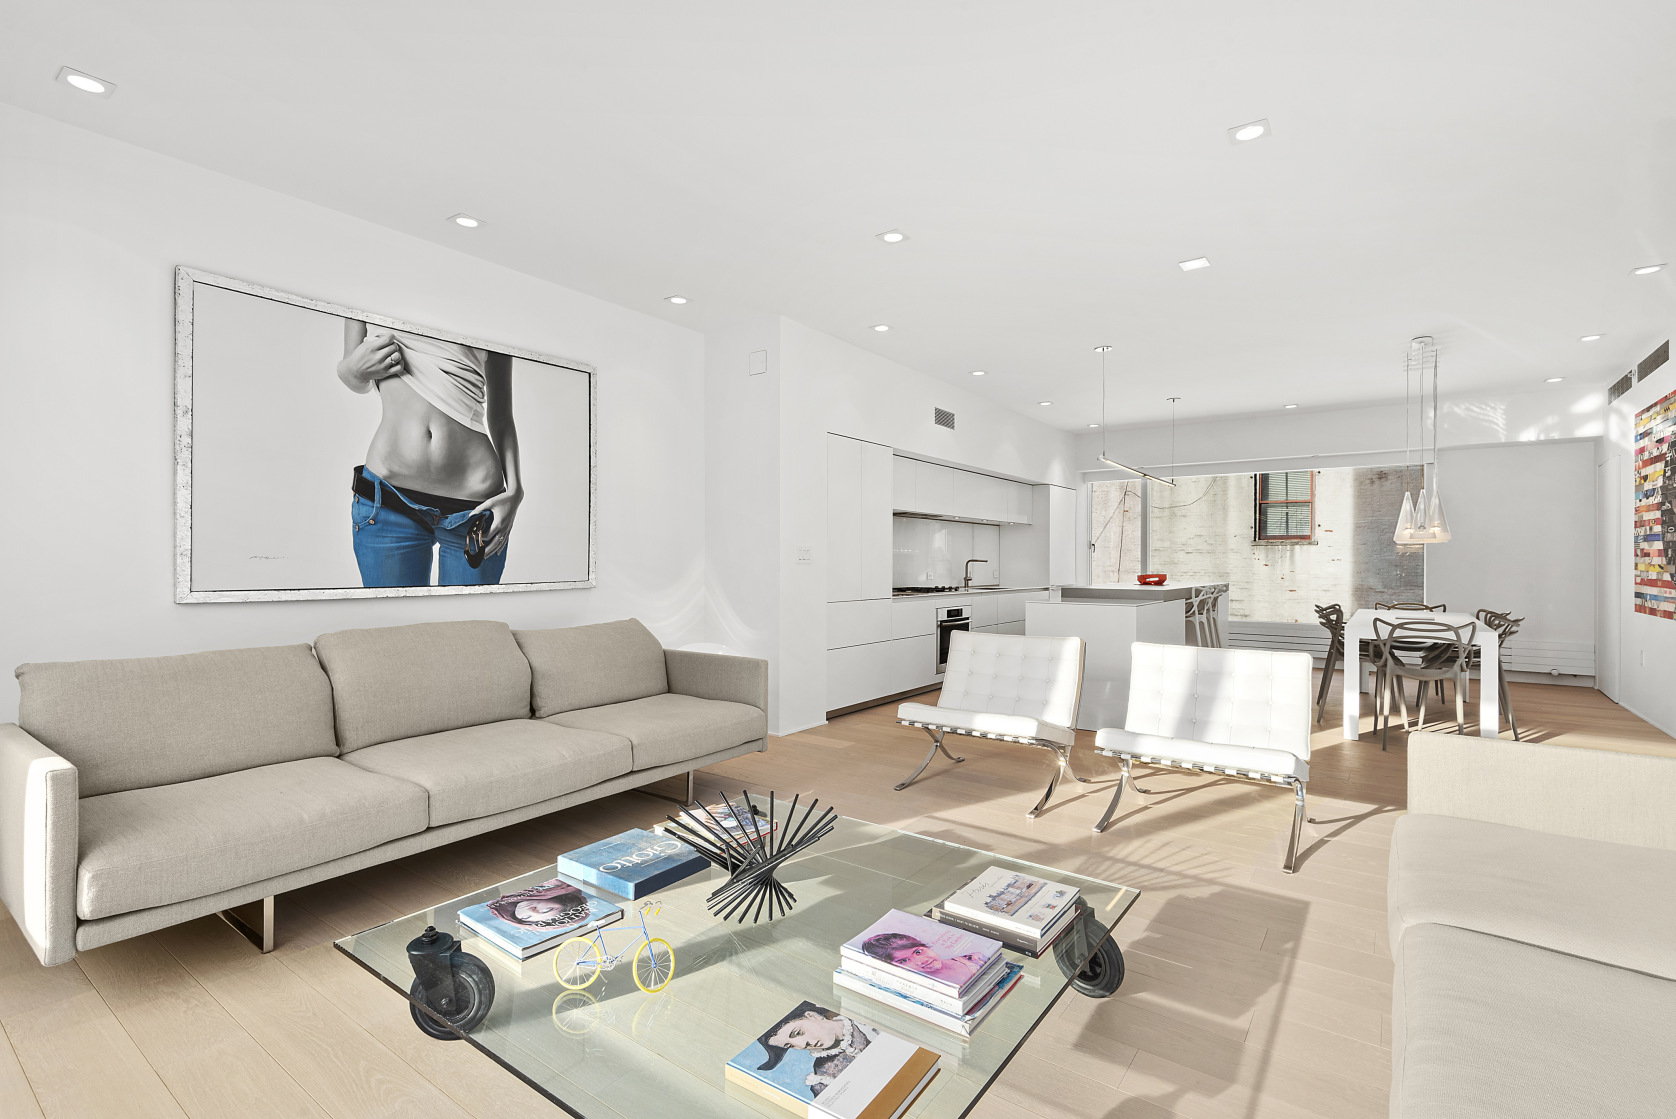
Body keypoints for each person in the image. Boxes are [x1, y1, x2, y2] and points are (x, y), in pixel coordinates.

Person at [337, 320, 523, 587]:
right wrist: (353, 369)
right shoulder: (367, 292)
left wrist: (515, 491)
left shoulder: (495, 304)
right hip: (388, 501)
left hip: (475, 509)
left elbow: (502, 415)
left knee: (471, 617)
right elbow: (351, 372)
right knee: (392, 617)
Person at [754, 1003, 876, 1097]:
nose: (802, 1044)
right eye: (790, 1045)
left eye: (798, 1032)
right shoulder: (824, 1076)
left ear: (812, 1015)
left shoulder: (862, 1017)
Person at [861, 931, 987, 987]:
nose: (921, 961)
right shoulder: (928, 987)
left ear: (925, 946)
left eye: (918, 952)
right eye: (904, 961)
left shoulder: (975, 958)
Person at [486, 881, 591, 930]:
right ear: (561, 898)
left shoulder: (500, 898)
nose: (532, 910)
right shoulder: (554, 881)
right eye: (547, 910)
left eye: (527, 917)